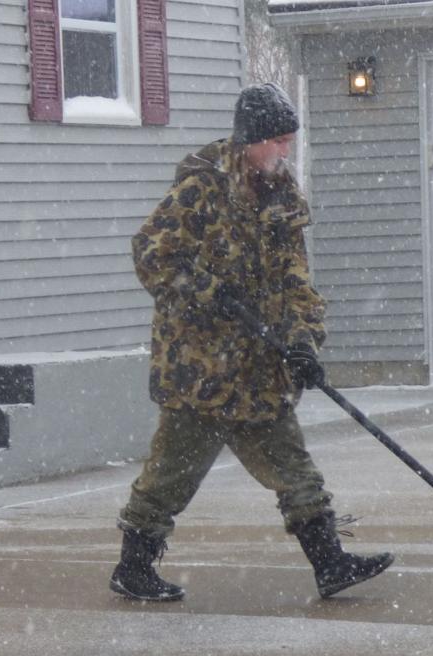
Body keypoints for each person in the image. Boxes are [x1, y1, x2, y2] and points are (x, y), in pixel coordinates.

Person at [110, 83, 394, 602]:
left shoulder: (282, 195)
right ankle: (133, 568)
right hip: (201, 368)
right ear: (251, 140)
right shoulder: (201, 189)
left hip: (261, 367)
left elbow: (295, 280)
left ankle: (330, 564)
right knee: (170, 478)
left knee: (295, 470)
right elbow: (151, 253)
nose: (285, 150)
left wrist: (303, 341)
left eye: (289, 141)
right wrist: (209, 292)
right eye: (278, 141)